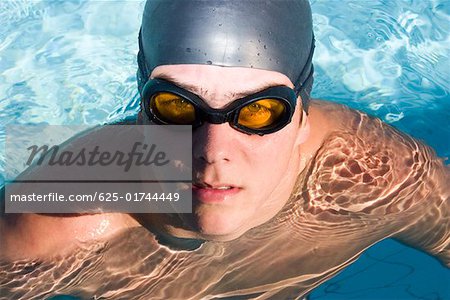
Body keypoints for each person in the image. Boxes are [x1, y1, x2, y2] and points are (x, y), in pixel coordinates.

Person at [1, 0, 448, 298]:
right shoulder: (57, 227)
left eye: (258, 111)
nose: (214, 151)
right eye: (176, 106)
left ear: (301, 116)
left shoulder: (374, 176)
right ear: (141, 112)